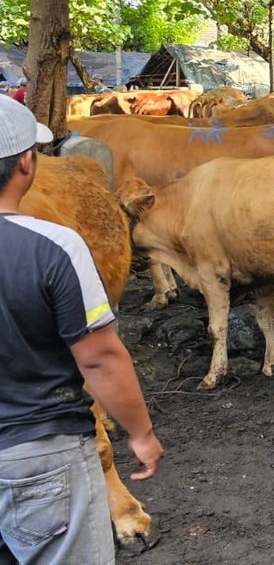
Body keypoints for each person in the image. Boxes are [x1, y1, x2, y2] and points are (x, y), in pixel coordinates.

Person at [0, 99, 163, 564]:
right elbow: (97, 357)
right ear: (28, 161)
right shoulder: (55, 244)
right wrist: (141, 433)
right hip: (37, 447)